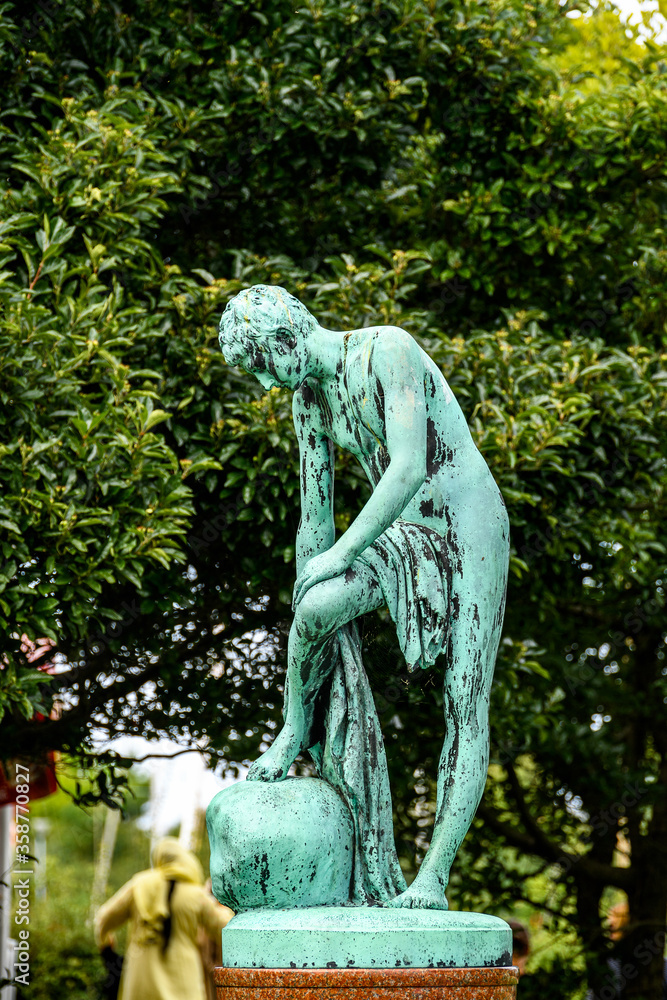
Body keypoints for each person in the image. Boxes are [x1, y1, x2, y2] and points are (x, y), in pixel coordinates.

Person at [218, 284, 509, 909]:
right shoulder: (309, 402)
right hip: (403, 529)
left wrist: (341, 554)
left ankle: (433, 875)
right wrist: (310, 582)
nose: (267, 383)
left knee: (464, 699)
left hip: (469, 521)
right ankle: (296, 727)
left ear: (284, 339)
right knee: (318, 612)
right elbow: (314, 519)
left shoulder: (387, 351)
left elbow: (406, 466)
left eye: (262, 366)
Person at [95, 837, 234, 1000]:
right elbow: (225, 929)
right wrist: (224, 906)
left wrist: (105, 941)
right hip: (183, 980)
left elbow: (103, 919)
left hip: (140, 979)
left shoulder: (138, 885)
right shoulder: (196, 895)